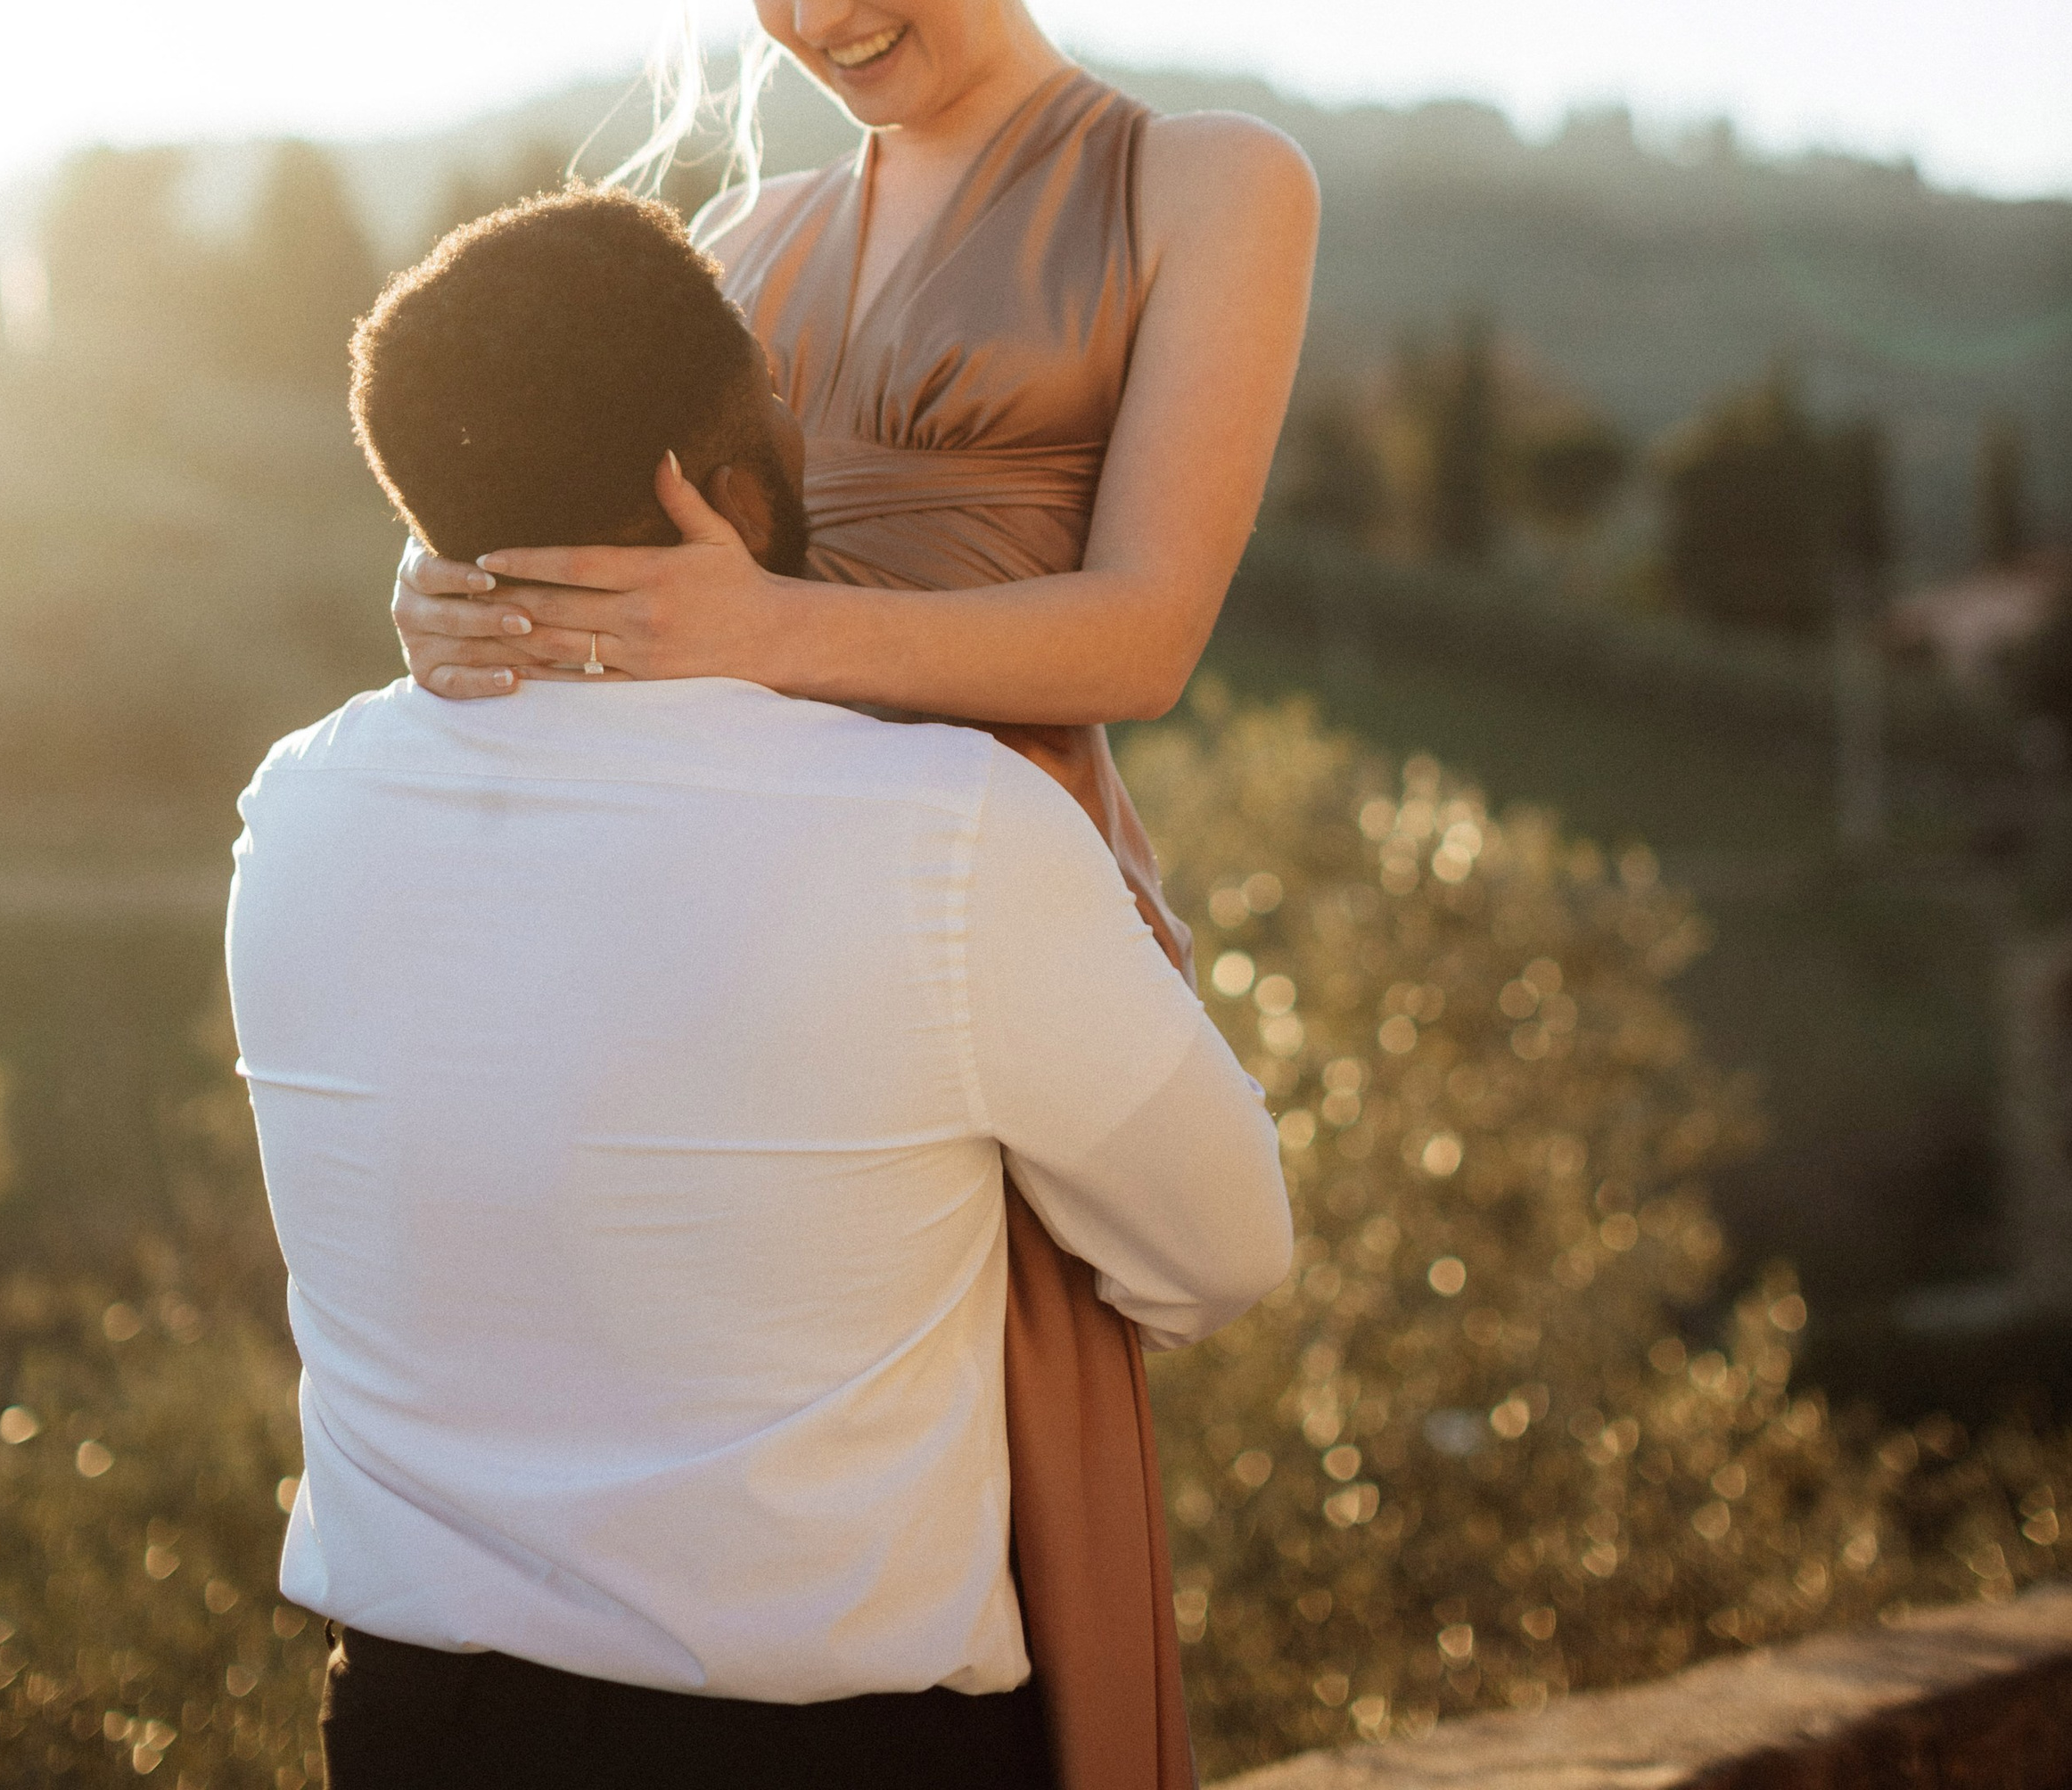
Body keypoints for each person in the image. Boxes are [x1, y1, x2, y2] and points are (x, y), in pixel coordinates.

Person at [395, 0, 1320, 1790]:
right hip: (722, 923)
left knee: (1001, 1477)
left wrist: (754, 624)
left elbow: (1144, 634)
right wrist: (445, 591)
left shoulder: (1207, 181)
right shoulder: (750, 241)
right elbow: (599, 556)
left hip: (985, 894)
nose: (809, 10)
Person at [229, 186, 1293, 1790]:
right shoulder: (948, 836)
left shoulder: (292, 809)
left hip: (409, 1730)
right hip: (827, 1758)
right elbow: (1223, 1257)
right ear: (716, 490)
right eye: (777, 401)